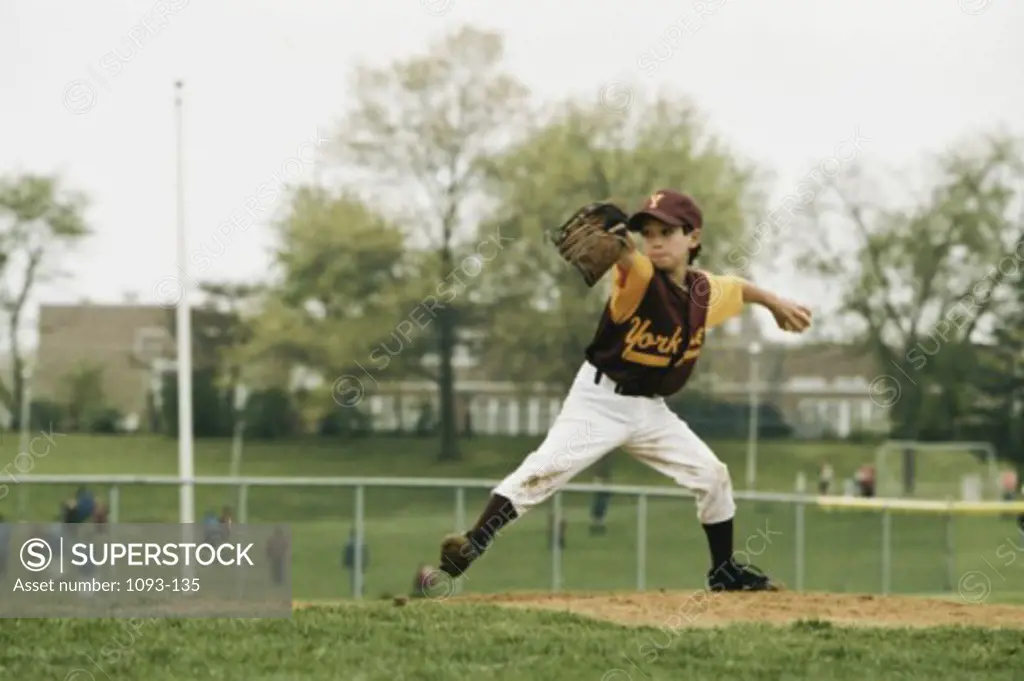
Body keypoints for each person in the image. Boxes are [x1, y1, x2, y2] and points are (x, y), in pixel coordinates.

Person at [435, 190, 812, 591]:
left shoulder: (704, 293)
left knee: (712, 474)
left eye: (667, 231)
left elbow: (738, 287)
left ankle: (724, 572)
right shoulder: (640, 277)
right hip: (599, 401)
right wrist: (621, 250)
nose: (655, 240)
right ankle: (473, 543)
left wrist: (774, 303)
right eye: (647, 232)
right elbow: (630, 261)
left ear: (694, 238)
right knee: (544, 470)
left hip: (650, 411)